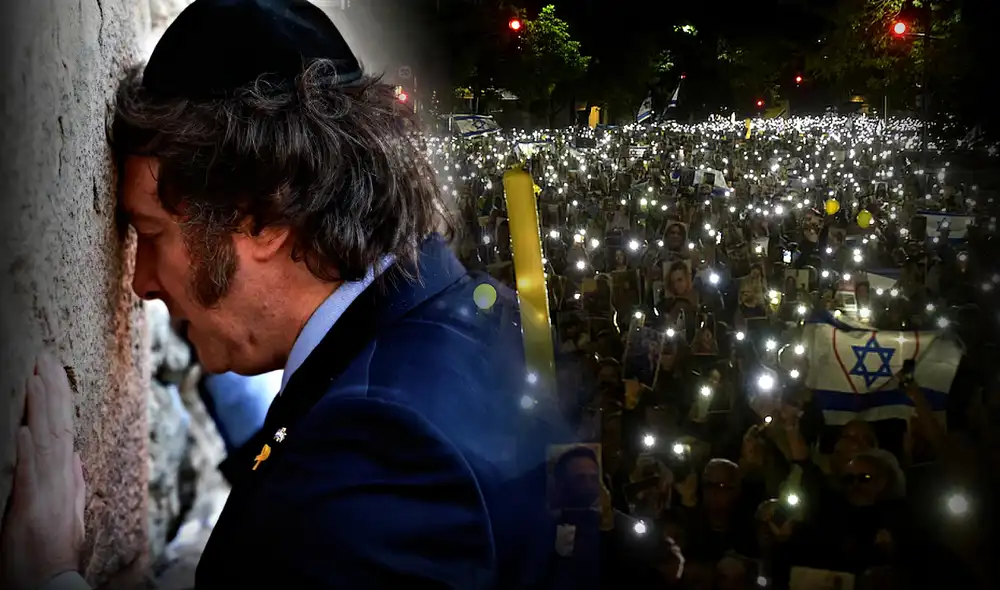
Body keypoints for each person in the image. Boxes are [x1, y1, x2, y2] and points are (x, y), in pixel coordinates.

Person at [1, 2, 565, 589]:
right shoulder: (472, 321)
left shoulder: (372, 463)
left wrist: (45, 576)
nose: (141, 281)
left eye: (150, 232)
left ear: (263, 218)